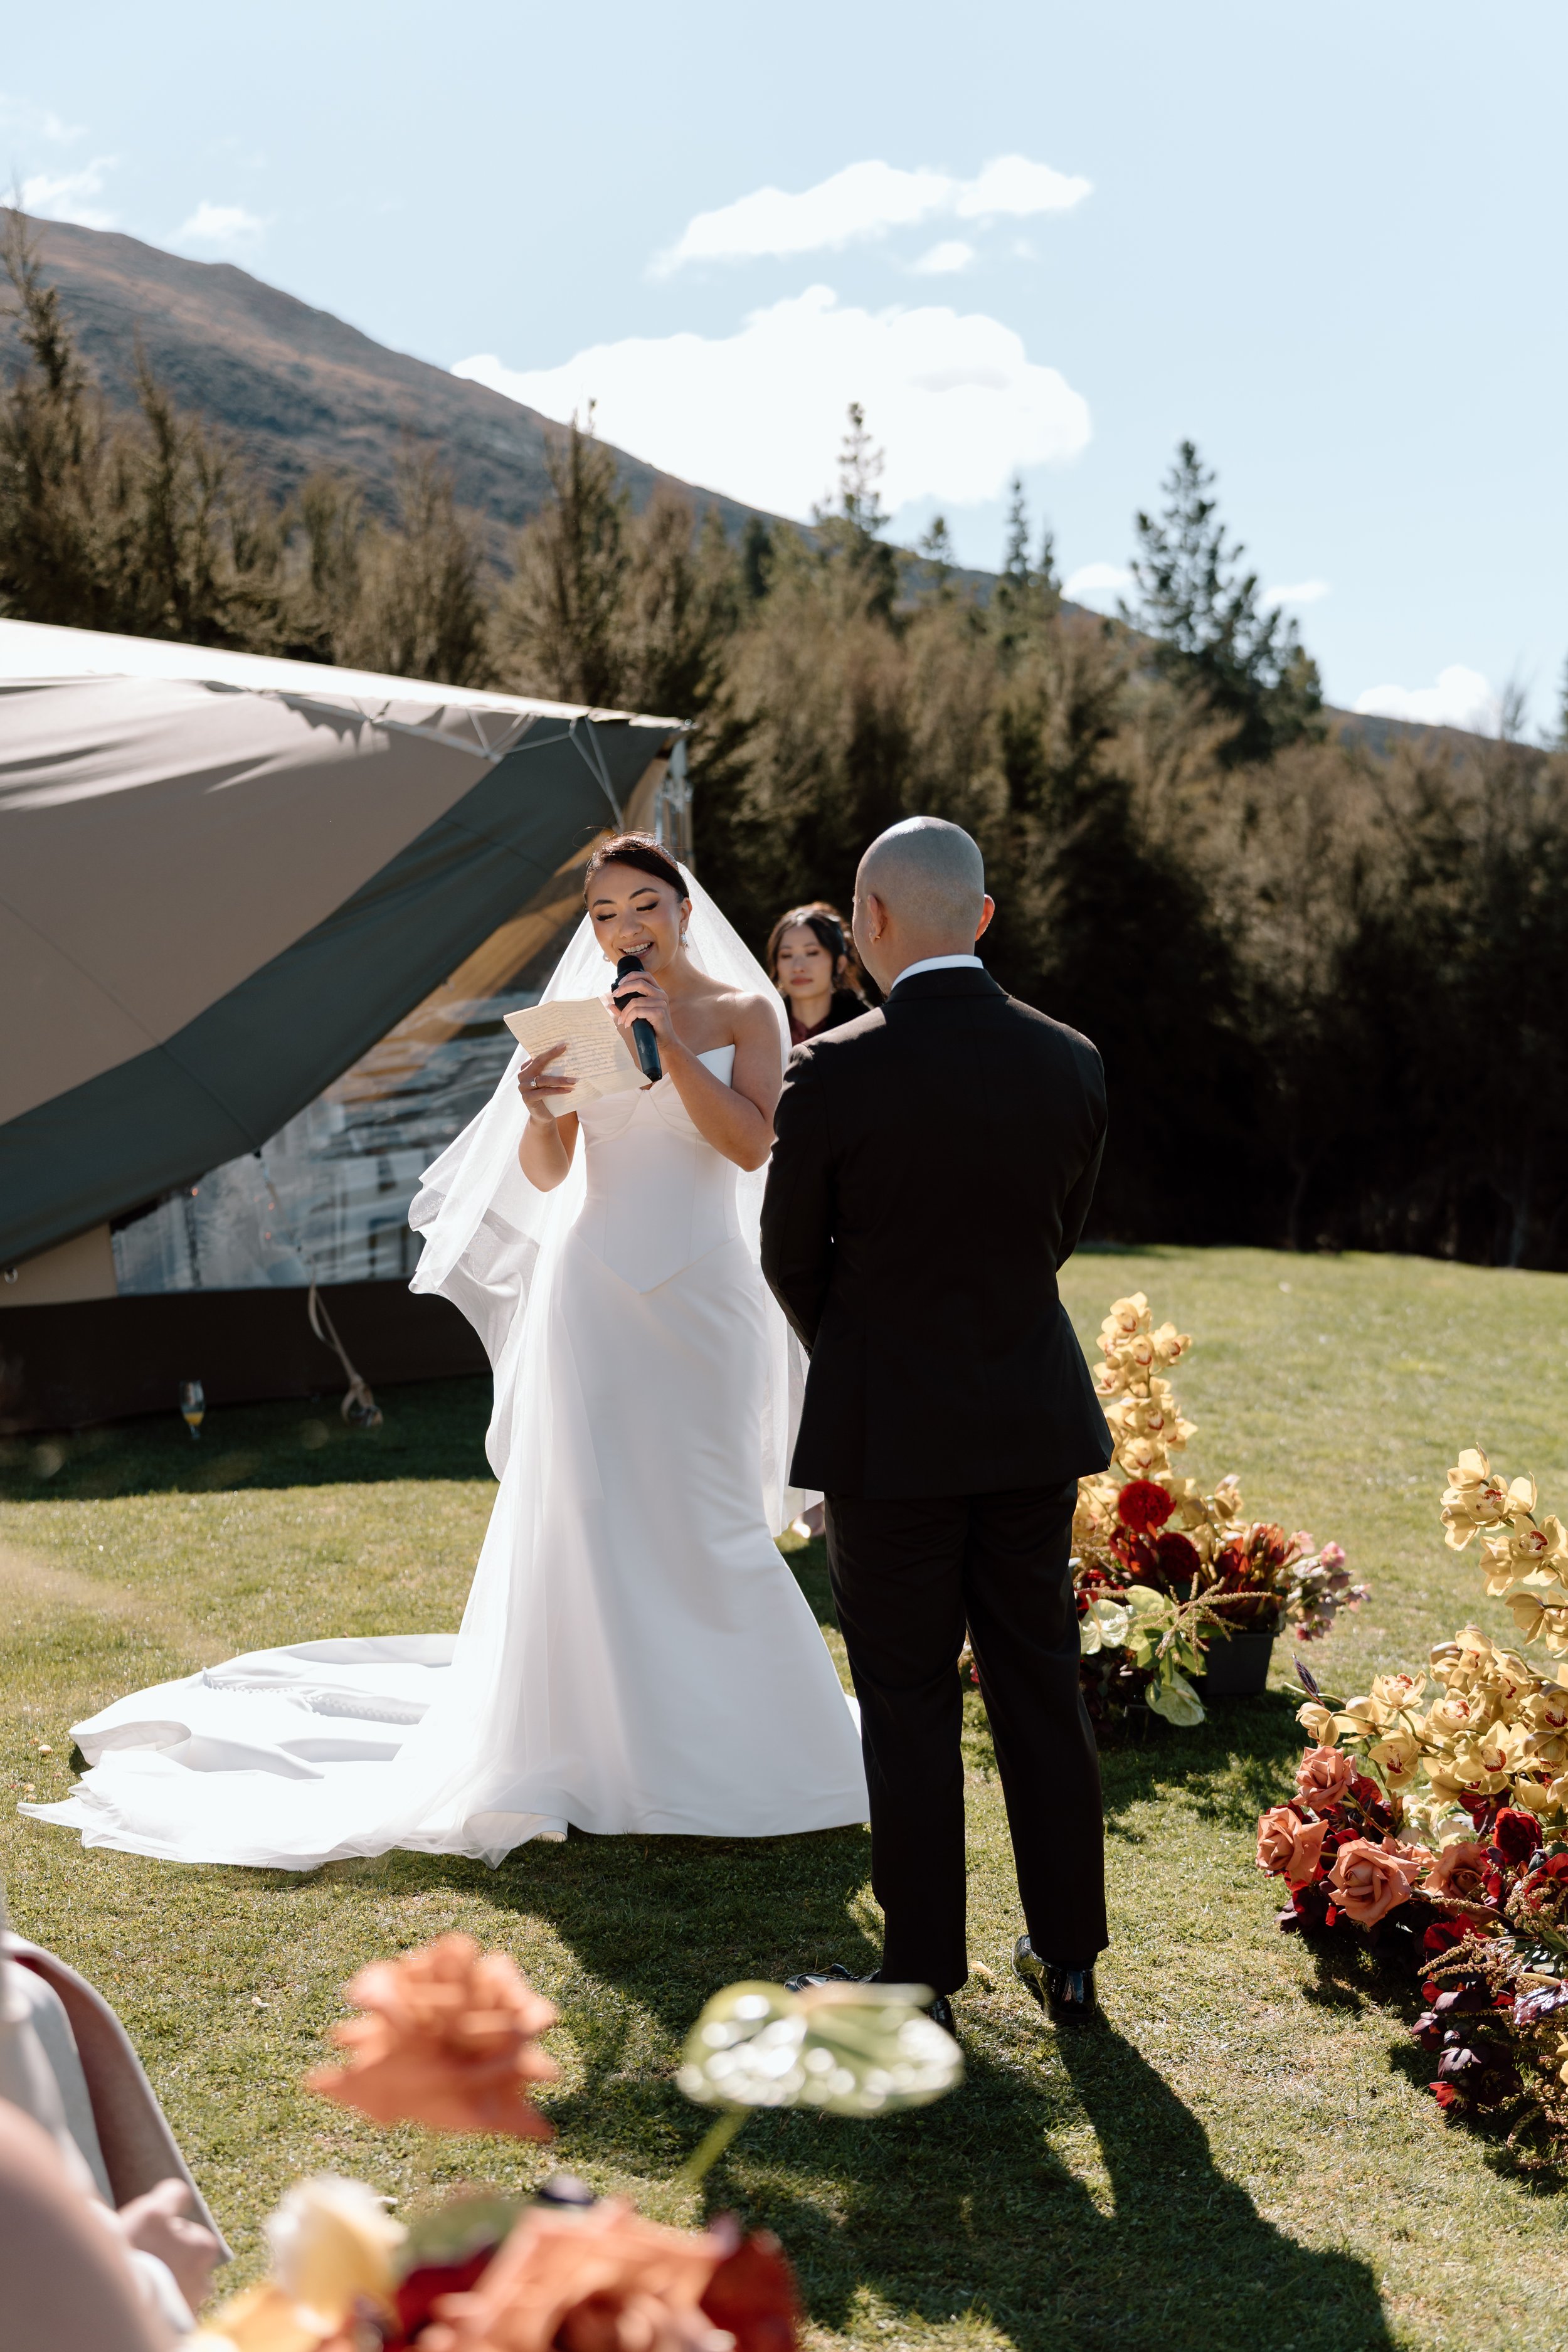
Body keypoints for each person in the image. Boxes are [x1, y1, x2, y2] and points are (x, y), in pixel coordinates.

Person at [26, 836, 866, 1868]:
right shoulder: (582, 1023)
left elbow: (750, 1143)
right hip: (596, 1295)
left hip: (704, 1298)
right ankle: (612, 1749)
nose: (625, 928)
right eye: (604, 914)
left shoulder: (745, 1015)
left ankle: (759, 1741)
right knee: (598, 1519)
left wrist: (668, 1048)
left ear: (683, 908)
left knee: (715, 1515)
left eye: (643, 904)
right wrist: (535, 1112)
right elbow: (553, 1172)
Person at [760, 815, 1112, 2030]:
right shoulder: (1069, 1059)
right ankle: (1067, 1957)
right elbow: (1051, 1237)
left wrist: (867, 1355)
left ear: (864, 923)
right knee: (1037, 1682)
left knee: (906, 1699)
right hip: (1027, 1417)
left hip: (887, 1435)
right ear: (982, 916)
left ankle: (917, 1973)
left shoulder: (835, 1068)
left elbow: (787, 1260)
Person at [765, 902, 868, 1046]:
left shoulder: (867, 1031)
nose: (798, 967)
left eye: (812, 953)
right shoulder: (761, 1028)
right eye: (786, 955)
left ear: (839, 964)